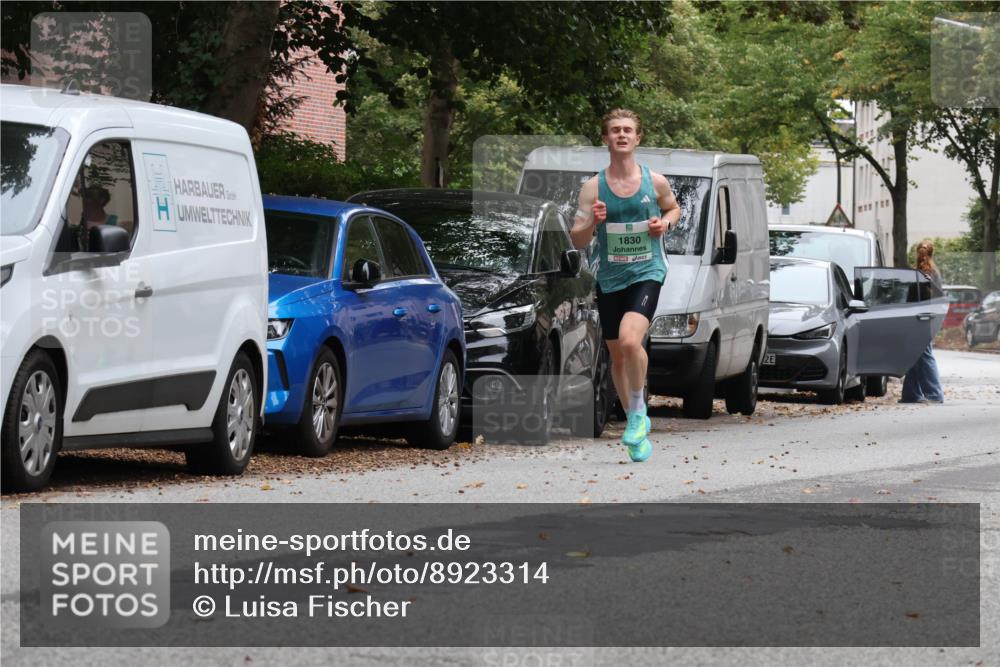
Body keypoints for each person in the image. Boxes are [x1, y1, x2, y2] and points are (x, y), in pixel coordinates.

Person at [570, 109, 681, 462]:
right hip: (610, 275)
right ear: (606, 139)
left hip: (647, 270)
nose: (621, 135)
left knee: (632, 341)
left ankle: (637, 414)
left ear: (637, 138)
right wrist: (592, 219)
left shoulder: (656, 181)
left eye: (627, 130)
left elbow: (673, 210)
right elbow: (578, 239)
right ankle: (636, 417)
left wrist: (663, 225)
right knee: (618, 354)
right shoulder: (593, 186)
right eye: (615, 130)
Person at [901, 239, 944, 404]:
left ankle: (934, 394)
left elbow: (909, 299)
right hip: (925, 318)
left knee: (924, 355)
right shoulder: (928, 273)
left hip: (919, 319)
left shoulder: (924, 273)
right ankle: (910, 394)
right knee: (916, 354)